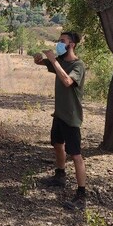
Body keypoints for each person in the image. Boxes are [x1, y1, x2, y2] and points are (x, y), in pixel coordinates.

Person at [34, 31, 87, 210]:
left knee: (76, 155)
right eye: (58, 40)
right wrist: (38, 58)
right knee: (57, 144)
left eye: (62, 41)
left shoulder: (77, 65)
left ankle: (81, 195)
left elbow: (67, 81)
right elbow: (40, 62)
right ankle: (60, 175)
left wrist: (54, 61)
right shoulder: (61, 61)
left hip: (71, 117)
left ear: (71, 44)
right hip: (59, 114)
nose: (58, 43)